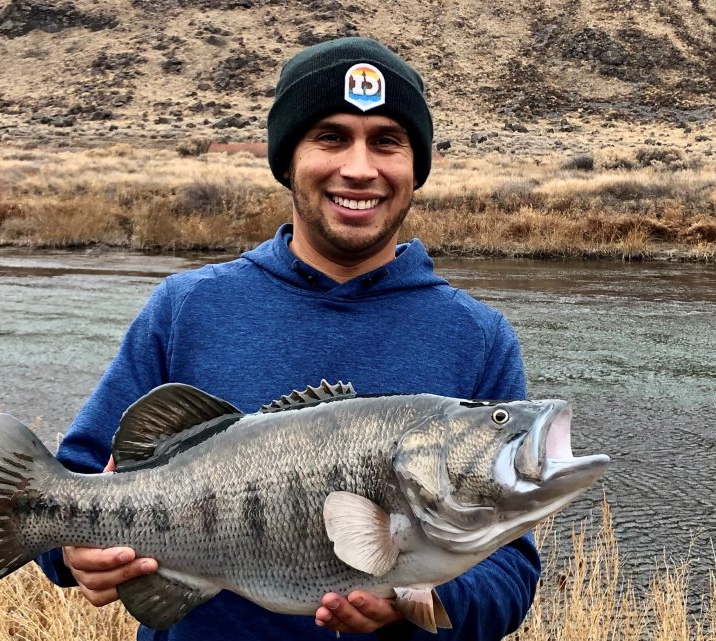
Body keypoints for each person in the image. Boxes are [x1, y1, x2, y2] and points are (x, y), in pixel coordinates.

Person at [35, 36, 540, 640]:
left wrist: (423, 603)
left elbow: (511, 572)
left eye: (387, 141)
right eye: (330, 136)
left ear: (415, 165)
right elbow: (72, 482)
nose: (360, 168)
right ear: (287, 159)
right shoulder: (187, 307)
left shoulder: (478, 337)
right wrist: (69, 554)